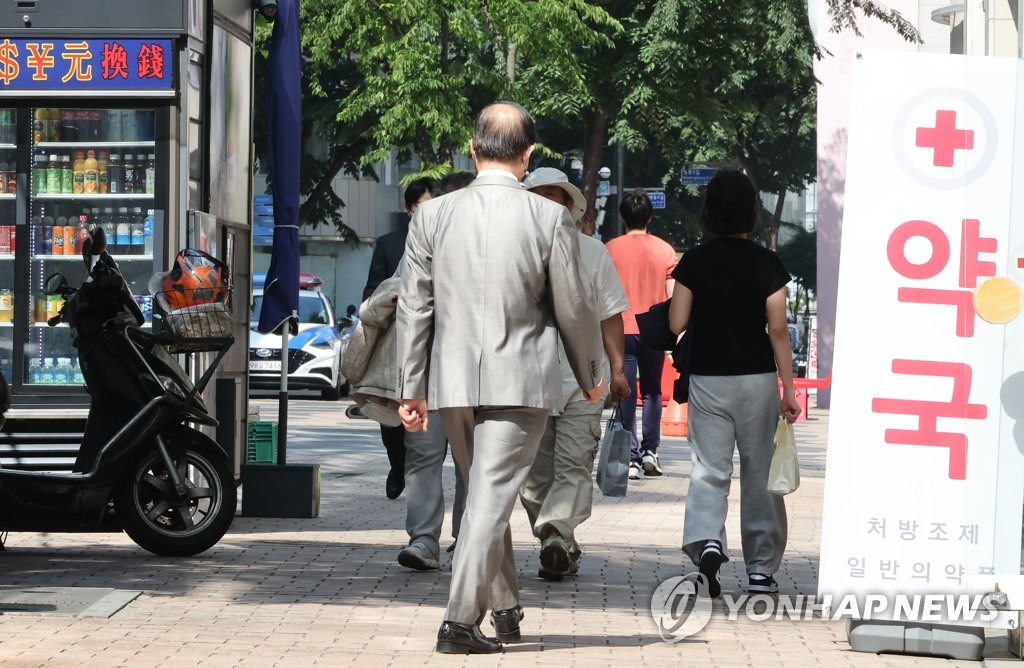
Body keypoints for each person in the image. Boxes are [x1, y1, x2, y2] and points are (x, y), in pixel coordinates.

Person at [396, 102, 605, 655]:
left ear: (473, 147)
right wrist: (591, 374)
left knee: (490, 496)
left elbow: (413, 308)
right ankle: (459, 622)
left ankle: (507, 609)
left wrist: (410, 388)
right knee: (490, 502)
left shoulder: (431, 216)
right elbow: (575, 308)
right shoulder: (548, 218)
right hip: (522, 379)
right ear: (528, 154)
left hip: (453, 381)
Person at [667, 169, 801, 598]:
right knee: (760, 472)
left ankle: (708, 539)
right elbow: (778, 330)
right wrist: (789, 389)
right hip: (758, 380)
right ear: (752, 212)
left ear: (709, 212)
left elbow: (676, 322)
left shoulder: (695, 261)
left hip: (708, 379)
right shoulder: (768, 264)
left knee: (709, 469)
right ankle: (761, 569)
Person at [517, 167, 629, 581]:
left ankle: (556, 534)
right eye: (540, 196)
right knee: (533, 476)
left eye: (556, 197)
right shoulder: (513, 252)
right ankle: (558, 541)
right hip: (526, 380)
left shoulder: (592, 252)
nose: (549, 203)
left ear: (568, 206)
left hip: (586, 380)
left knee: (574, 466)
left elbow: (611, 316)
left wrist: (617, 370)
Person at [363, 177, 438, 499]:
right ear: (410, 208)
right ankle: (397, 463)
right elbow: (371, 290)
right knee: (390, 408)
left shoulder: (445, 243)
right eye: (422, 205)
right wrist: (390, 301)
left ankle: (417, 468)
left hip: (434, 338)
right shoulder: (390, 243)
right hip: (396, 336)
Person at [605, 189, 677, 480]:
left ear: (623, 217)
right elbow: (672, 296)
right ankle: (651, 451)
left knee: (625, 392)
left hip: (619, 330)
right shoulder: (665, 250)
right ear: (649, 216)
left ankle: (630, 457)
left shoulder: (609, 248)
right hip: (653, 332)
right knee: (652, 392)